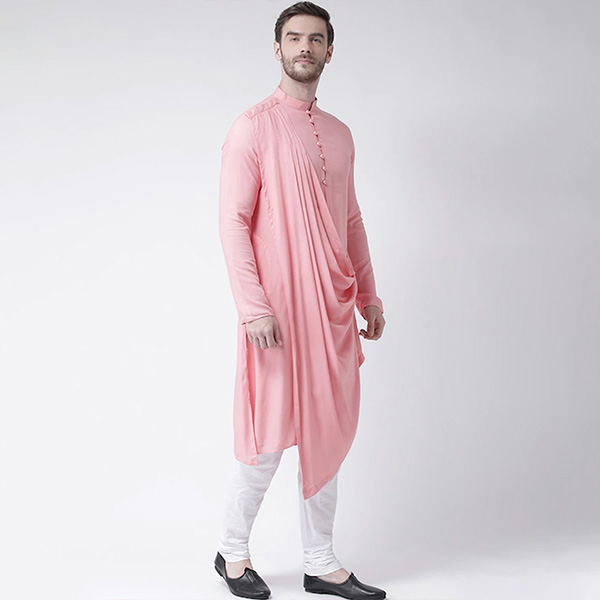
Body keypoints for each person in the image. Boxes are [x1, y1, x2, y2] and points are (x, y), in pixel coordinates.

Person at [214, 2, 386, 598]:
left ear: (330, 51)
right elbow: (233, 222)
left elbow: (350, 218)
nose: (304, 47)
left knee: (327, 434)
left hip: (333, 309)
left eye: (315, 39)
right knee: (266, 437)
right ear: (278, 48)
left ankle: (320, 561)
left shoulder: (340, 133)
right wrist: (253, 306)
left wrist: (369, 294)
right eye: (294, 38)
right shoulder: (252, 127)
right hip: (278, 313)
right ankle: (232, 553)